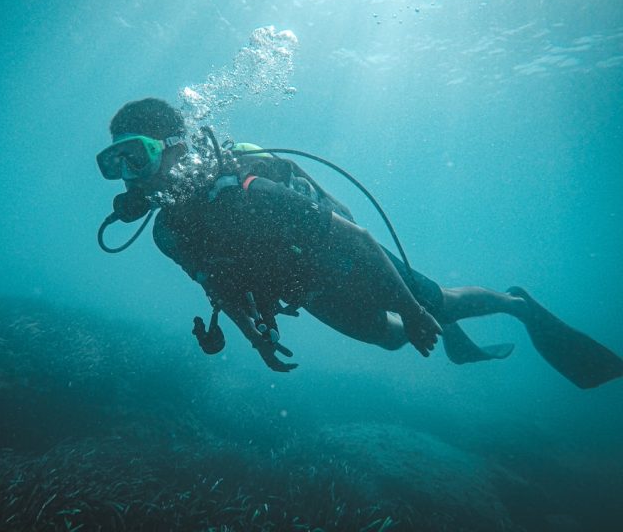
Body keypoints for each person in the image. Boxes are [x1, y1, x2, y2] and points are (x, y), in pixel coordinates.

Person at [96, 98, 623, 389]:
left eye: (135, 158)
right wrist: (256, 339)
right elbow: (217, 284)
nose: (129, 177)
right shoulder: (168, 232)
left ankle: (515, 305)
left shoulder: (248, 192)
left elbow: (360, 239)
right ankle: (439, 323)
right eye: (114, 164)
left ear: (175, 147)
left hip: (346, 260)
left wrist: (412, 309)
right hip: (307, 290)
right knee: (389, 340)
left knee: (438, 304)